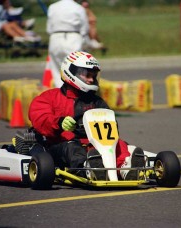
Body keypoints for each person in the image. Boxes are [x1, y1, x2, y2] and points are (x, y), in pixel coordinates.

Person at [28, 51, 145, 181]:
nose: (91, 79)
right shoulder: (49, 98)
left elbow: (111, 128)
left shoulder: (97, 102)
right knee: (72, 148)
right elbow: (39, 118)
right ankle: (88, 168)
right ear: (71, 73)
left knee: (120, 144)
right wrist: (59, 122)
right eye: (87, 75)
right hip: (60, 145)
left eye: (93, 76)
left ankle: (125, 168)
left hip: (94, 145)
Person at [46, 0, 89, 88]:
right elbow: (85, 28)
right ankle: (75, 94)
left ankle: (60, 93)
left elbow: (49, 28)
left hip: (55, 37)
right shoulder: (78, 8)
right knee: (75, 69)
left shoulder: (52, 7)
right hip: (73, 37)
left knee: (57, 69)